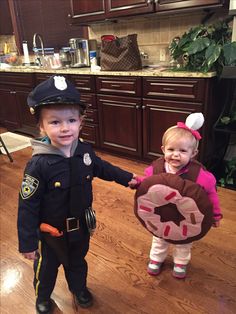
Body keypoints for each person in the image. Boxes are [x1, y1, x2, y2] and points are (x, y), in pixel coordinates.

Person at [17, 75, 136, 314]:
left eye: (71, 120)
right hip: (51, 232)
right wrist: (28, 242)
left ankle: (78, 288)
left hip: (81, 225)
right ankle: (43, 296)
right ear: (41, 126)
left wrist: (127, 178)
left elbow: (102, 167)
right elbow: (27, 206)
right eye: (54, 122)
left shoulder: (83, 150)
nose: (65, 128)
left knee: (77, 262)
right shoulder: (38, 165)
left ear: (81, 122)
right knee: (47, 267)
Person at [132, 112, 222, 279]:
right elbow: (148, 184)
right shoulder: (156, 168)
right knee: (159, 238)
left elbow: (211, 196)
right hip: (162, 214)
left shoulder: (201, 175)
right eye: (171, 149)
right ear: (163, 149)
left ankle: (181, 262)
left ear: (193, 153)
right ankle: (156, 259)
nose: (175, 155)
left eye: (182, 151)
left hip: (186, 218)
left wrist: (215, 215)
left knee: (185, 242)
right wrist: (138, 182)